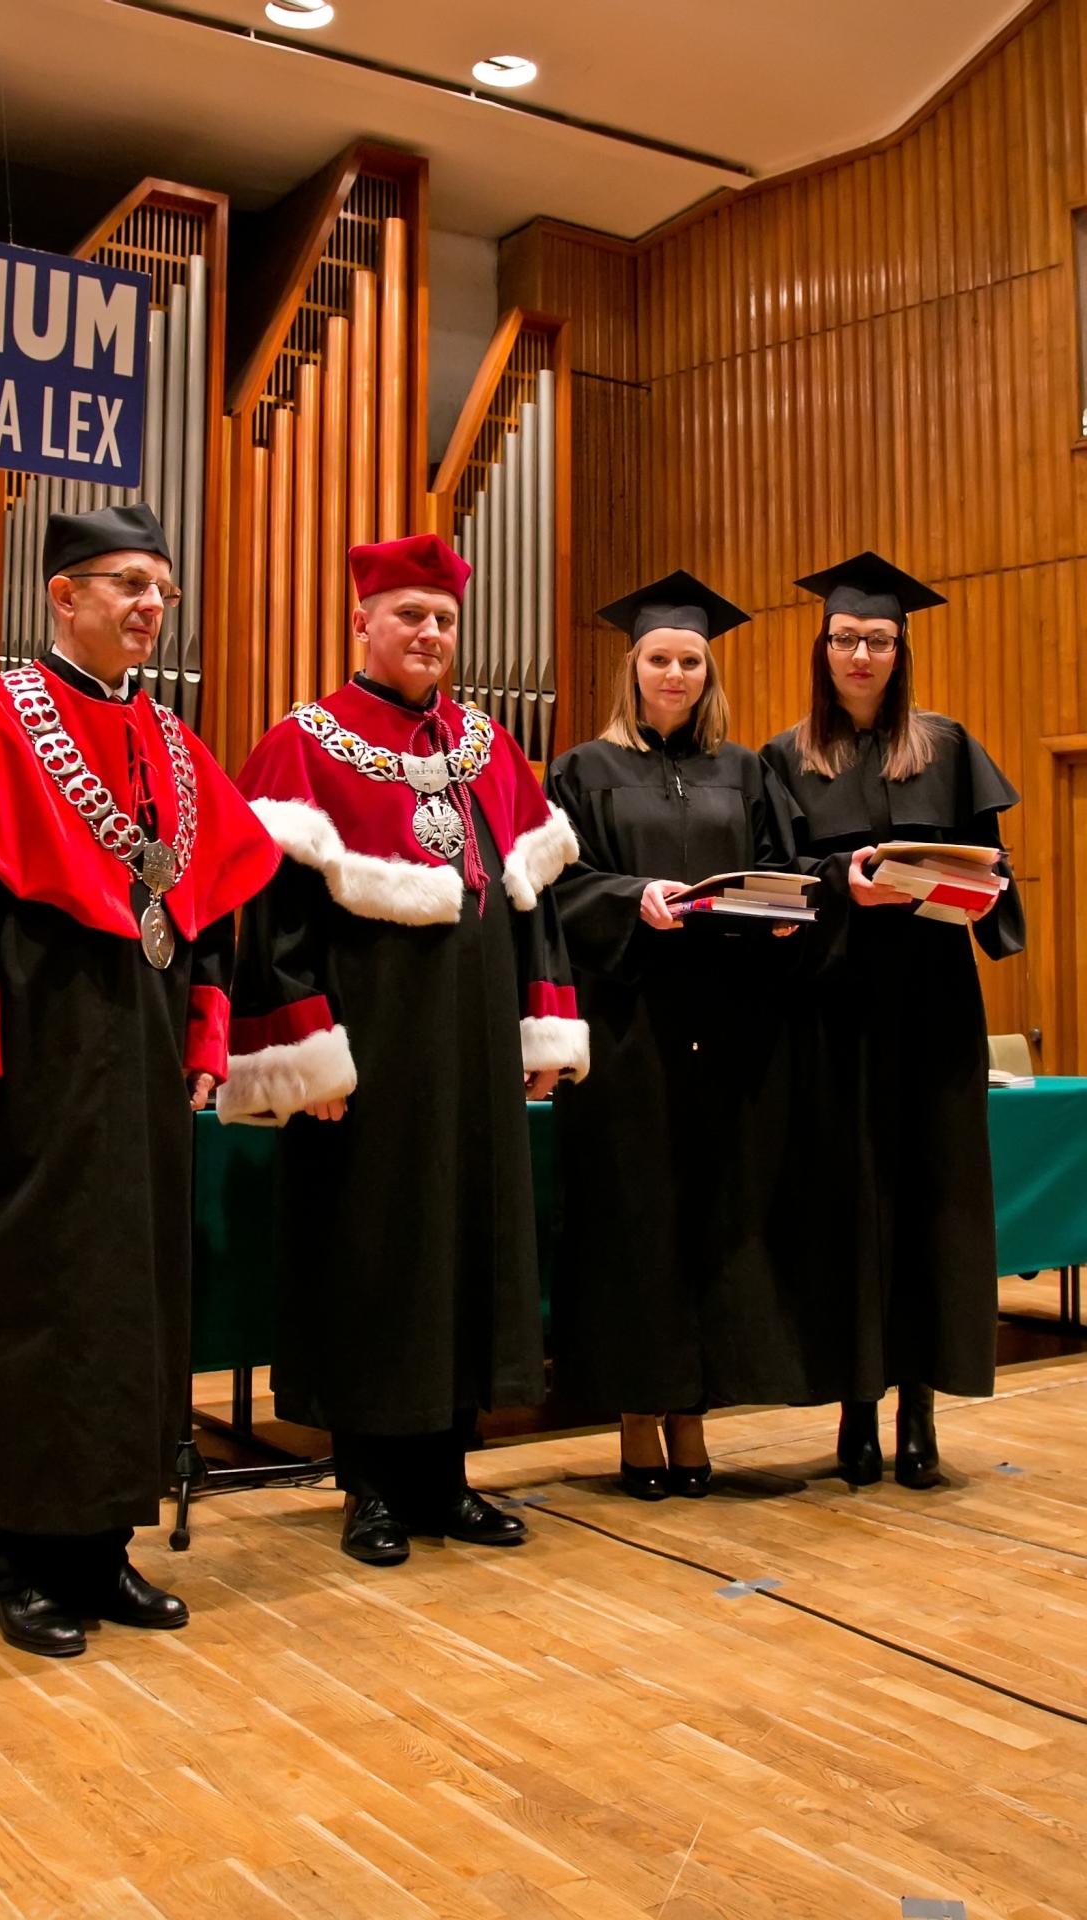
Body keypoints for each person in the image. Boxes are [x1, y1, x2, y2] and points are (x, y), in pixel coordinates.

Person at [0, 504, 280, 1656]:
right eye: (128, 584)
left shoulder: (174, 743)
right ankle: (19, 1558)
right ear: (63, 595)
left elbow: (203, 914)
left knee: (128, 1303)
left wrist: (202, 1041)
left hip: (138, 1067)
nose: (151, 605)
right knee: (29, 1301)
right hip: (31, 1058)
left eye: (162, 589)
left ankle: (102, 1547)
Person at [220, 532, 587, 1565]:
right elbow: (273, 925)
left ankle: (446, 1477)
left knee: (468, 1247)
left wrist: (542, 1025)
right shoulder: (302, 745)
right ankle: (372, 1486)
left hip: (474, 1046)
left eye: (443, 619)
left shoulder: (487, 746)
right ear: (362, 623)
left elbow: (533, 904)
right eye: (410, 616)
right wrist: (307, 1056)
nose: (429, 633)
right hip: (368, 1057)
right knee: (375, 1254)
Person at [762, 551, 1025, 1489]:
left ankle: (918, 1410)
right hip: (835, 1004)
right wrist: (845, 879)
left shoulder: (945, 747)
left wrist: (977, 888)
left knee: (930, 1199)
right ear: (823, 647)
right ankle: (856, 1408)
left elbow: (995, 871)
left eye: (877, 639)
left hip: (933, 1005)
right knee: (847, 1203)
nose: (861, 654)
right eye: (846, 638)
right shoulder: (787, 759)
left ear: (900, 648)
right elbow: (779, 883)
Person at [546, 572, 807, 1499]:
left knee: (714, 1215)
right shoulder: (581, 770)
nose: (675, 674)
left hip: (727, 1023)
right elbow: (556, 885)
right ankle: (635, 1413)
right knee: (634, 1218)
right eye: (659, 658)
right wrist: (633, 897)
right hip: (628, 1023)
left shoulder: (748, 769)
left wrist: (781, 910)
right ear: (634, 668)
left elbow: (782, 868)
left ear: (708, 672)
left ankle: (694, 1412)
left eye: (690, 661)